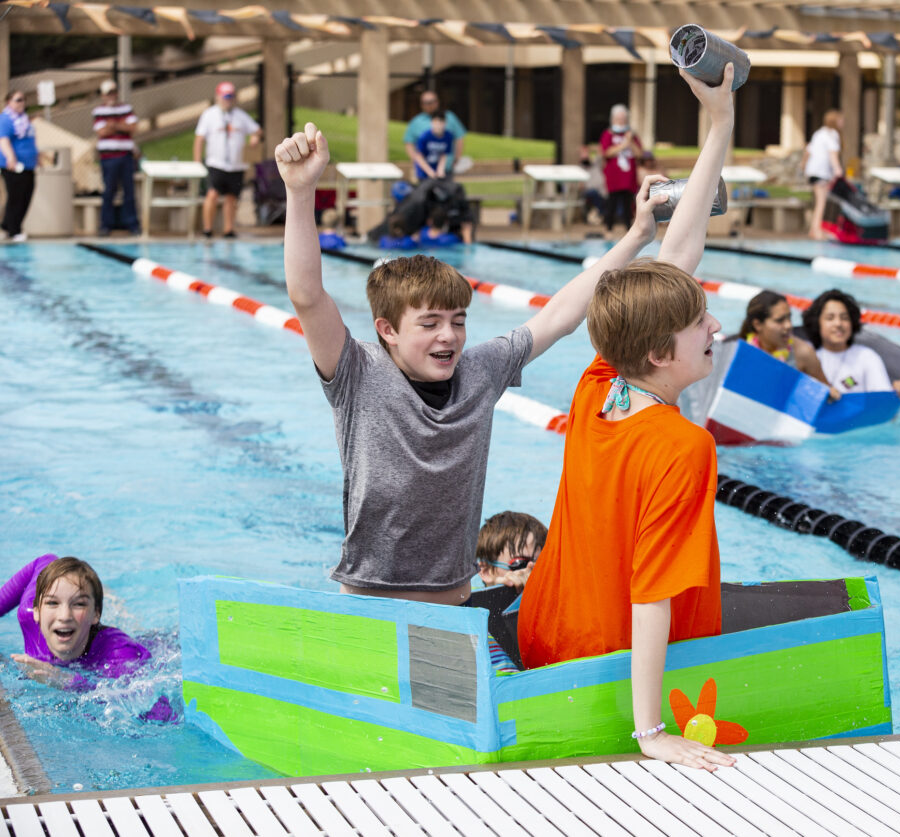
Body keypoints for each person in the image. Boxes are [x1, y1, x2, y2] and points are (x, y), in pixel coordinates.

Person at [275, 120, 669, 606]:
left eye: (458, 321)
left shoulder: (480, 372)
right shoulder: (358, 374)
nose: (450, 336)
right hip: (367, 598)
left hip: (453, 600)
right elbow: (307, 296)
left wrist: (636, 236)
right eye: (431, 323)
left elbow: (560, 316)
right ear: (388, 331)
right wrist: (300, 191)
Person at [517, 64, 738, 772]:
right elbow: (652, 594)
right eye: (700, 321)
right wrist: (652, 732)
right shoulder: (682, 444)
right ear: (656, 350)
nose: (715, 324)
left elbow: (681, 253)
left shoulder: (601, 385)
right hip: (606, 663)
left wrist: (721, 125)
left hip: (544, 633)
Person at [0, 555, 150, 690]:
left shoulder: (119, 652)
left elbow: (157, 711)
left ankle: (110, 600)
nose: (64, 616)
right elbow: (44, 561)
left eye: (79, 604)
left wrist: (69, 682)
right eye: (52, 603)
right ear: (37, 611)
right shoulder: (28, 615)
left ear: (97, 614)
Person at [802, 289, 900, 398]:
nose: (838, 323)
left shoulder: (866, 357)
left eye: (844, 318)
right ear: (817, 322)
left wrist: (897, 393)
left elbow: (882, 400)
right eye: (830, 318)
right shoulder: (804, 352)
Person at [735, 290, 838, 400]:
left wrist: (830, 392)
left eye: (789, 317)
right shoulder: (740, 351)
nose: (788, 325)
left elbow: (827, 393)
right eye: (780, 320)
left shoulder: (803, 353)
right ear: (757, 325)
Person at [194, 81, 262, 239]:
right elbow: (199, 139)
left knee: (232, 197)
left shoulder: (240, 116)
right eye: (225, 96)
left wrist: (254, 138)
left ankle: (228, 229)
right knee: (212, 194)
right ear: (218, 97)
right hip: (216, 163)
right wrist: (197, 161)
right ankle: (208, 229)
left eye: (230, 96)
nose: (228, 100)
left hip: (236, 164)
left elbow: (257, 131)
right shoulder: (209, 115)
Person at [92, 79, 140, 236]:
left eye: (113, 92)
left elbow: (132, 127)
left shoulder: (126, 108)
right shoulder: (99, 111)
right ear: (103, 95)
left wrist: (113, 125)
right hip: (108, 157)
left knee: (129, 191)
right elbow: (101, 132)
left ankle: (132, 224)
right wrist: (121, 125)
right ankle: (106, 225)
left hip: (125, 156)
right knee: (109, 191)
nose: (112, 95)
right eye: (108, 93)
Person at [0, 89, 38, 243]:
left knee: (26, 196)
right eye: (18, 99)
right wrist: (11, 158)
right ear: (9, 102)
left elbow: (29, 140)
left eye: (23, 99)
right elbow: (3, 140)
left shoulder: (24, 119)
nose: (21, 102)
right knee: (16, 197)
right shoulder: (6, 119)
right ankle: (14, 230)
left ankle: (6, 226)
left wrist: (38, 157)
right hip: (13, 165)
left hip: (28, 165)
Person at [475, 511, 546, 590]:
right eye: (521, 564)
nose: (535, 573)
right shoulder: (464, 599)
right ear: (486, 572)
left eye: (543, 565)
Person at [403, 90, 466, 179]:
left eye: (431, 102)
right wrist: (417, 161)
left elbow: (459, 138)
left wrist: (456, 158)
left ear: (437, 102)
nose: (429, 105)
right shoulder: (417, 121)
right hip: (425, 171)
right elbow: (409, 143)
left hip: (446, 170)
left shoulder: (449, 117)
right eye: (425, 102)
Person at [802, 109, 843, 241]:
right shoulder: (833, 134)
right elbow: (832, 153)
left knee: (818, 201)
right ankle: (817, 231)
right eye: (841, 120)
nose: (843, 122)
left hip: (812, 171)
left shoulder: (819, 133)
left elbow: (808, 150)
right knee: (821, 202)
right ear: (835, 121)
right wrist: (837, 169)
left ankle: (813, 229)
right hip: (822, 172)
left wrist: (803, 166)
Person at [601, 104, 643, 232]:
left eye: (623, 119)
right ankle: (608, 228)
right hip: (614, 176)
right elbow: (606, 152)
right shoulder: (607, 134)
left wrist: (629, 141)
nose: (621, 121)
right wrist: (623, 144)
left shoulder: (631, 135)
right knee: (612, 203)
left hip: (628, 177)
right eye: (619, 119)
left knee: (628, 203)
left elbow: (639, 154)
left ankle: (628, 229)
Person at [412, 112, 454, 182]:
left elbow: (444, 155)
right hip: (424, 172)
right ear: (431, 122)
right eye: (436, 122)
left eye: (441, 122)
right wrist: (429, 172)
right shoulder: (425, 136)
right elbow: (419, 157)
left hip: (436, 172)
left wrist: (440, 170)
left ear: (445, 123)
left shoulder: (448, 136)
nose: (438, 125)